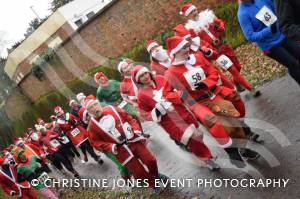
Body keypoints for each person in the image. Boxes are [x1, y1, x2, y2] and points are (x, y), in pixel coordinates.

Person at [163, 36, 260, 168]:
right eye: (184, 48)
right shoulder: (171, 73)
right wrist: (180, 95)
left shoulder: (198, 57)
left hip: (214, 95)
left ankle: (243, 150)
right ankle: (232, 152)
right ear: (176, 51)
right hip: (197, 103)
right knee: (214, 122)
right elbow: (167, 94)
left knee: (235, 123)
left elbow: (213, 72)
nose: (188, 49)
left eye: (187, 46)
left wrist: (206, 83)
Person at [133, 65, 220, 171]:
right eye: (141, 76)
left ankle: (193, 148)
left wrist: (177, 95)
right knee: (192, 138)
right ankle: (207, 159)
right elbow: (144, 114)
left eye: (145, 73)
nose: (145, 77)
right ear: (138, 80)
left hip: (181, 111)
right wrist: (156, 111)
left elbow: (174, 89)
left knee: (198, 134)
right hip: (170, 122)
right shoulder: (141, 95)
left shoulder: (160, 79)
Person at [85, 98, 169, 194]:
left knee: (150, 160)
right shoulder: (91, 126)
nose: (94, 108)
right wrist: (111, 146)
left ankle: (156, 175)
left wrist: (135, 129)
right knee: (138, 171)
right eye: (91, 107)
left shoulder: (112, 109)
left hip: (133, 140)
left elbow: (129, 118)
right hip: (121, 151)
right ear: (89, 111)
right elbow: (96, 143)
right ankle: (153, 184)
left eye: (95, 104)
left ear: (99, 104)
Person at [181, 3, 261, 96]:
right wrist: (205, 48)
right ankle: (251, 89)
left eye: (194, 10)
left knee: (237, 66)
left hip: (223, 45)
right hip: (215, 52)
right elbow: (196, 43)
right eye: (191, 12)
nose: (194, 13)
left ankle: (236, 83)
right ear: (188, 16)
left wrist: (221, 26)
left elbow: (220, 22)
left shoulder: (208, 16)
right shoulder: (190, 29)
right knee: (232, 69)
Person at [238, 0, 300, 86]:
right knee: (293, 64)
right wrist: (269, 30)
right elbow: (250, 36)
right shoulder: (242, 14)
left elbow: (278, 10)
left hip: (282, 35)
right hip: (270, 46)